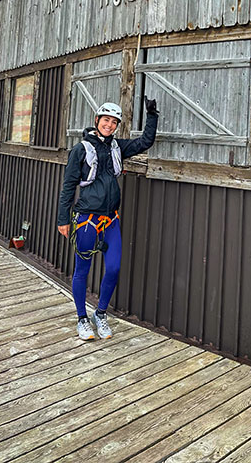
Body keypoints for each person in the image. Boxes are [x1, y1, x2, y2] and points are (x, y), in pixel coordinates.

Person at [57, 96, 158, 340]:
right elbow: (69, 185)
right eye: (106, 120)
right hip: (86, 220)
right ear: (97, 120)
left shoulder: (118, 147)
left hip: (111, 220)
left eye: (114, 122)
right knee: (82, 269)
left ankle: (100, 314)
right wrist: (63, 219)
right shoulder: (81, 149)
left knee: (113, 268)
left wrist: (152, 116)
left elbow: (145, 142)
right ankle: (82, 318)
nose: (110, 125)